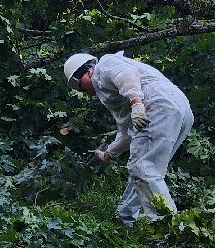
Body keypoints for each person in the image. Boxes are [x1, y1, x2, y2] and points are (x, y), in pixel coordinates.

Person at [63, 50, 193, 225]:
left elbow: (126, 74)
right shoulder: (110, 94)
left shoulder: (105, 65)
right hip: (179, 108)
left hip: (157, 104)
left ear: (87, 71)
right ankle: (124, 217)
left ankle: (169, 227)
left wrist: (137, 103)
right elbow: (126, 132)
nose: (83, 91)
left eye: (80, 85)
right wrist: (107, 154)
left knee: (142, 166)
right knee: (145, 169)